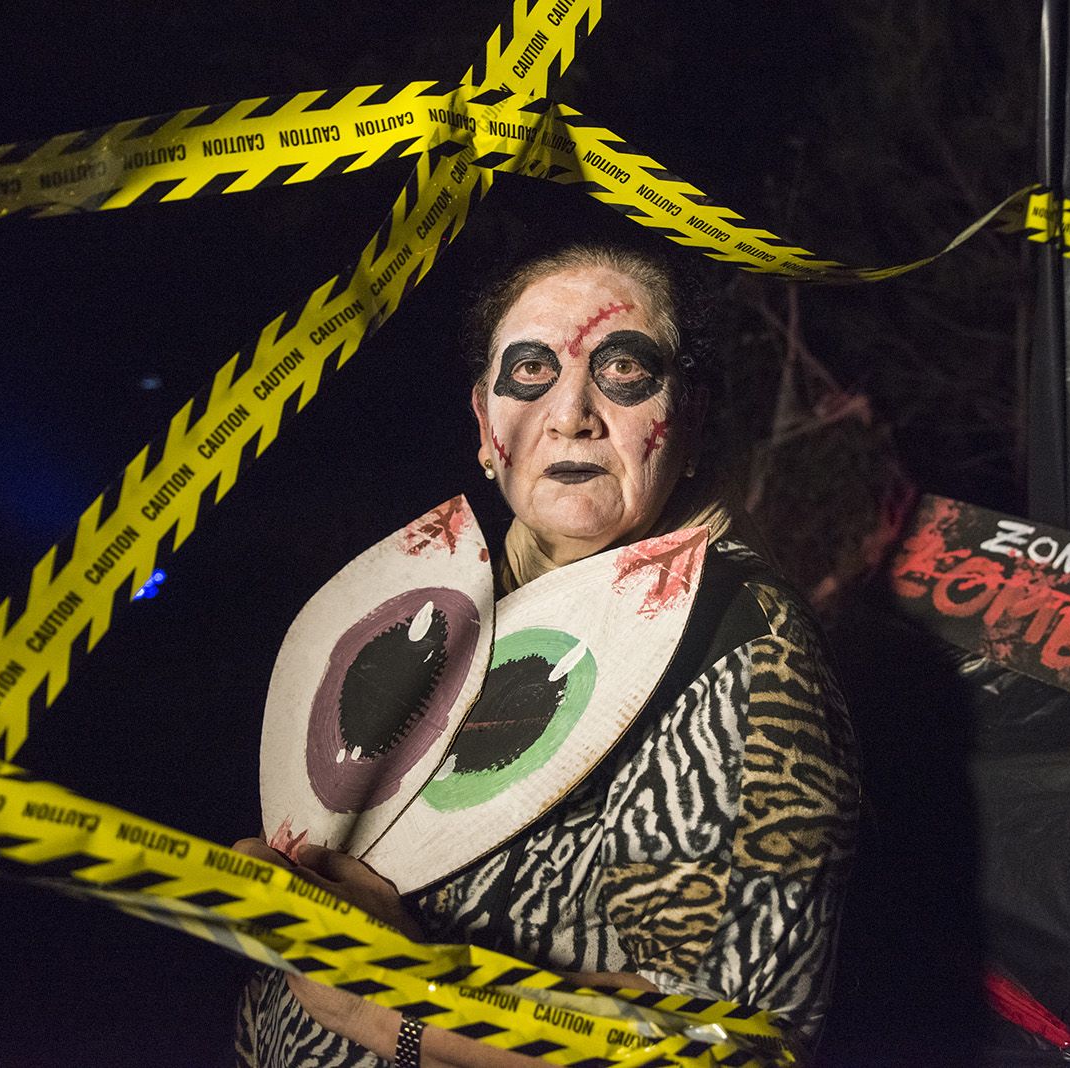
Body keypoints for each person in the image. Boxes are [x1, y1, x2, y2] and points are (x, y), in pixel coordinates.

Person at [233, 243, 860, 1067]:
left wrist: (391, 1004)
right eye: (530, 370)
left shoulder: (741, 648)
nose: (571, 414)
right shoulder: (454, 608)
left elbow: (731, 1042)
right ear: (485, 428)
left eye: (625, 369)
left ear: (693, 417)